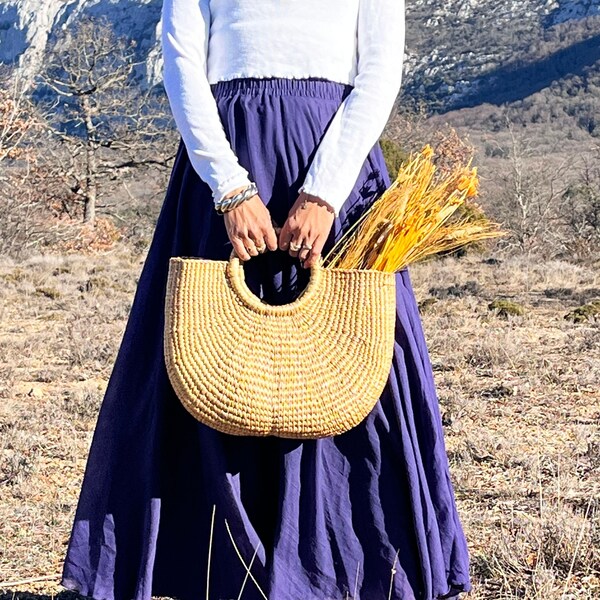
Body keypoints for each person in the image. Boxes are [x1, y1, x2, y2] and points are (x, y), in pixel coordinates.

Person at [59, 0, 473, 598]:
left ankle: (354, 571)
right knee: (203, 350)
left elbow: (379, 72)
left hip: (335, 168)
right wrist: (229, 189)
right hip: (224, 166)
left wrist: (324, 194)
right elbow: (182, 65)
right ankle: (214, 569)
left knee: (354, 353)